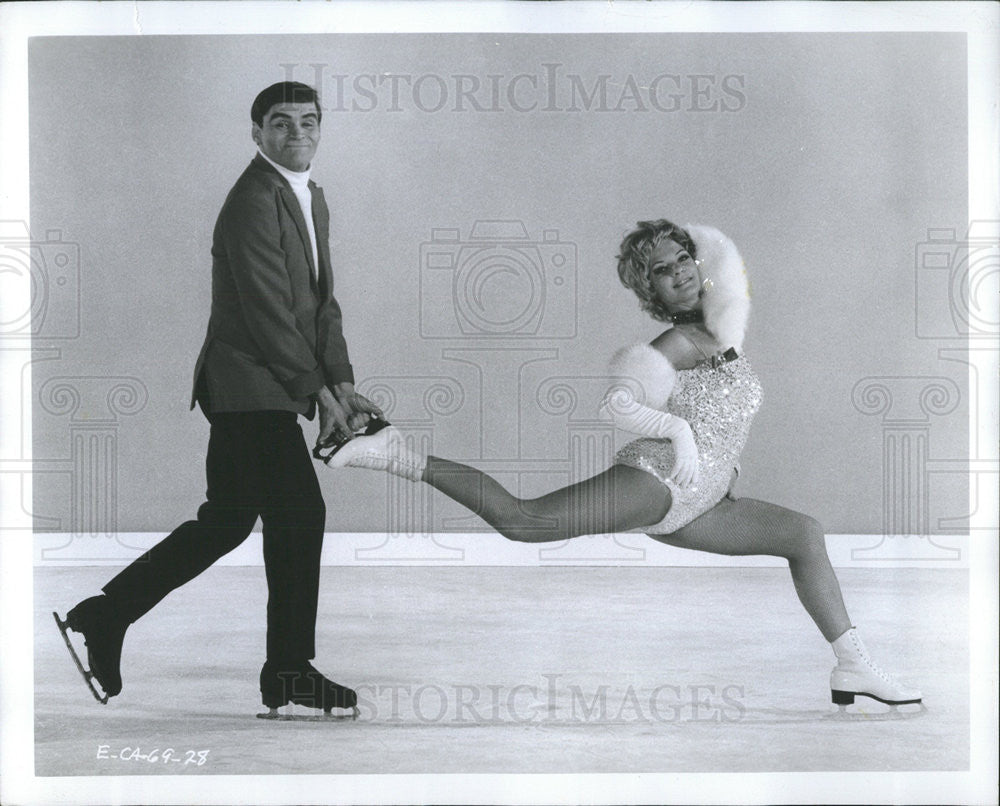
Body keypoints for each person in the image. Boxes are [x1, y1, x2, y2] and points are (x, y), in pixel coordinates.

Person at [327, 219, 922, 709]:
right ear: (651, 293)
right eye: (662, 272)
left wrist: (721, 464)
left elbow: (724, 391)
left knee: (804, 535)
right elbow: (618, 403)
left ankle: (854, 666)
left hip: (703, 500)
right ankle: (390, 450)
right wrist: (680, 433)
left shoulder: (720, 334)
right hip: (658, 480)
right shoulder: (676, 344)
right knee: (525, 522)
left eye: (682, 258)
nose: (680, 273)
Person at [55, 82, 381, 715]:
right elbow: (267, 310)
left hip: (264, 385)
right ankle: (284, 668)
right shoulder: (252, 200)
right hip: (244, 384)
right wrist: (314, 390)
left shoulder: (308, 196)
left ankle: (108, 614)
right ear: (256, 133)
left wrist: (339, 377)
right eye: (280, 124)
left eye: (308, 122)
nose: (297, 135)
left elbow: (318, 304)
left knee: (232, 519)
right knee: (294, 514)